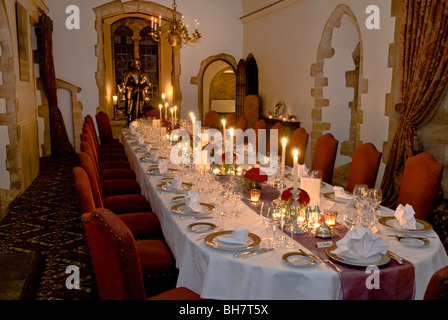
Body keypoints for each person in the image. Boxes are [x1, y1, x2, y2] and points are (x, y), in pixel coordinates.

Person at [122, 58, 151, 124]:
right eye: (137, 64)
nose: (138, 66)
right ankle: (130, 124)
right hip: (131, 93)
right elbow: (125, 84)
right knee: (130, 110)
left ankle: (140, 124)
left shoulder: (144, 74)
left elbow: (148, 85)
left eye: (139, 64)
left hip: (141, 93)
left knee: (140, 111)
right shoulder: (129, 73)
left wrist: (142, 87)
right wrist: (133, 87)